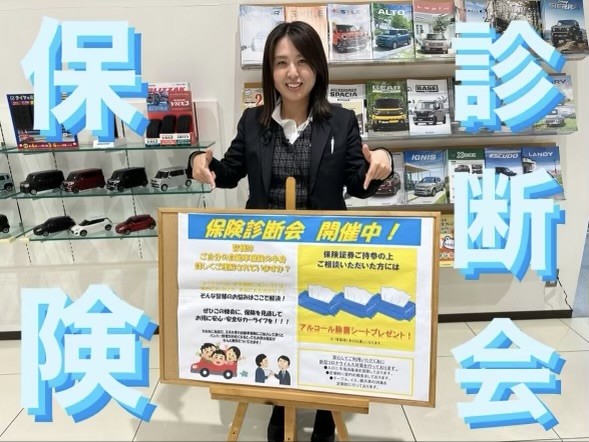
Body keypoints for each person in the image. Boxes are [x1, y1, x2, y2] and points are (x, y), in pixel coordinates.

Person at [188, 20, 393, 442]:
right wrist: (199, 161)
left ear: (317, 67)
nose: (293, 72)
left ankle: (325, 413)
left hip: (324, 252)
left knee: (324, 331)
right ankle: (282, 405)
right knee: (278, 331)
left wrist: (382, 162)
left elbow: (358, 183)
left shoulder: (341, 122)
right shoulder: (253, 122)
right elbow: (228, 172)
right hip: (268, 254)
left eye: (302, 61)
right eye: (281, 63)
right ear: (270, 70)